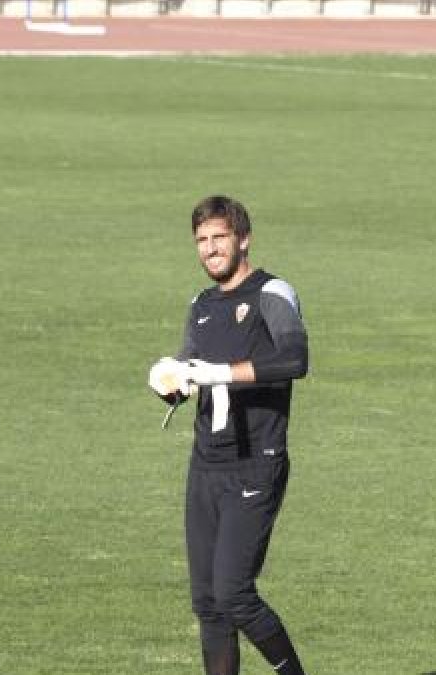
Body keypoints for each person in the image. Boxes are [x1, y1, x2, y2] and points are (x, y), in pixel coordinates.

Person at [148, 195, 310, 675]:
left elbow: (295, 360)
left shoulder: (272, 294)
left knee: (235, 594)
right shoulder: (200, 305)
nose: (210, 249)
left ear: (243, 239)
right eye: (202, 240)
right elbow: (192, 378)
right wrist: (169, 384)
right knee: (209, 603)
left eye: (220, 237)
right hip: (206, 465)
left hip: (255, 461)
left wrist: (223, 372)